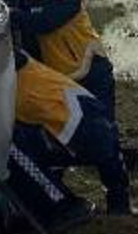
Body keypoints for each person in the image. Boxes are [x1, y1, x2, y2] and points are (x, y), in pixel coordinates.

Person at [10, 51, 131, 221]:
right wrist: (119, 198)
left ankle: (61, 206)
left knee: (10, 148)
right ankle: (60, 200)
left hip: (77, 132)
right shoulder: (34, 70)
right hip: (91, 124)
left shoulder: (11, 82)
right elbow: (110, 141)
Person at [6, 0, 117, 123]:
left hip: (88, 69)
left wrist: (13, 15)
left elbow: (45, 22)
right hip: (60, 74)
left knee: (100, 123)